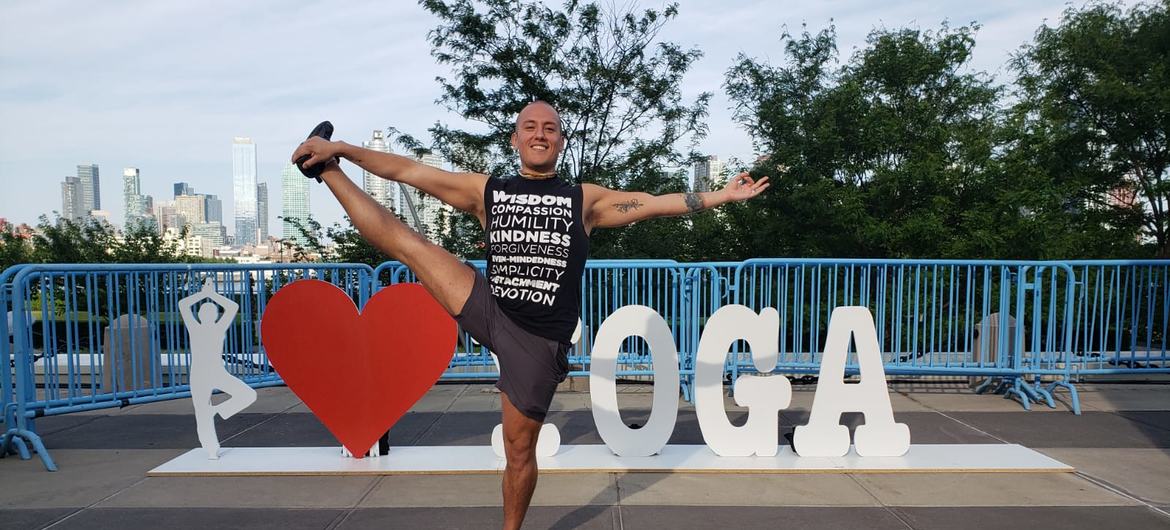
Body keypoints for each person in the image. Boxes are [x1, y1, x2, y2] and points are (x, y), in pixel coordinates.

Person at [291, 100, 768, 529]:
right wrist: (343, 149)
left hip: (538, 343)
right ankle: (325, 168)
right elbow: (410, 171)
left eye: (550, 128)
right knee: (409, 246)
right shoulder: (487, 191)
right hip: (489, 305)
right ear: (515, 138)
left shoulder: (585, 199)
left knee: (520, 452)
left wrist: (719, 197)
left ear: (560, 141)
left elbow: (651, 204)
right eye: (530, 126)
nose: (540, 133)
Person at [179, 278, 258, 459]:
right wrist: (204, 294)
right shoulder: (195, 327)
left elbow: (232, 307)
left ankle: (217, 411)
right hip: (199, 374)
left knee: (247, 395)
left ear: (215, 315)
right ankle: (211, 450)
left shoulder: (218, 328)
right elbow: (183, 304)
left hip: (216, 372)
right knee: (201, 412)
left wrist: (211, 295)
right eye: (204, 311)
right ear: (199, 315)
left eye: (211, 310)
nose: (207, 314)